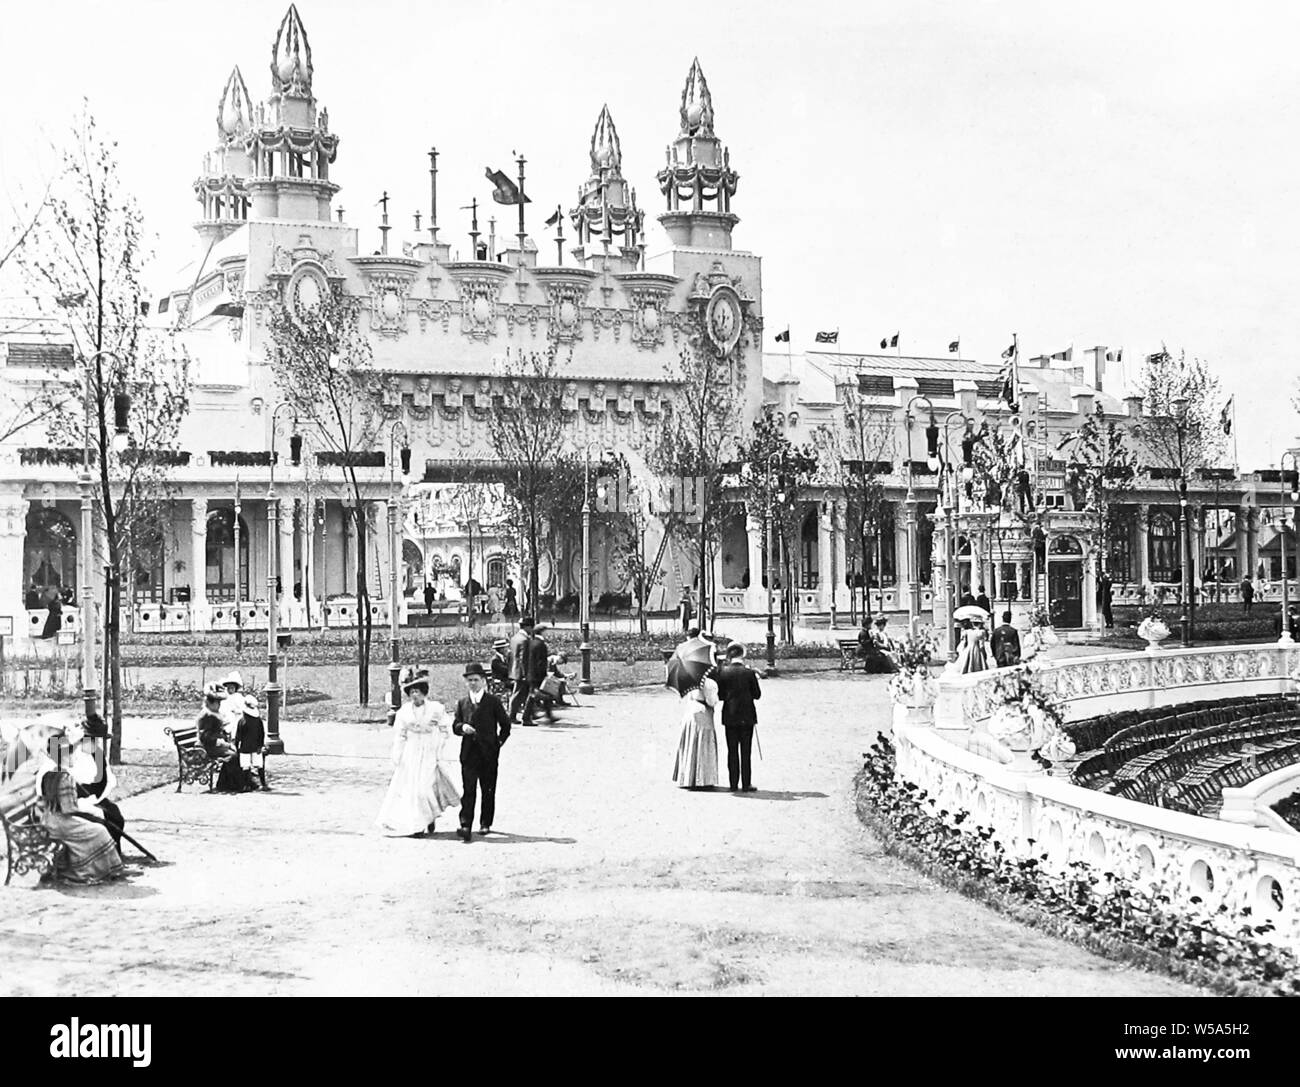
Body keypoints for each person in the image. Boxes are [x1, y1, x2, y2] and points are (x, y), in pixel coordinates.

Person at [376, 668, 460, 837]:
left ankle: (429, 818)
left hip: (430, 750)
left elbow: (446, 728)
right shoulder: (404, 712)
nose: (415, 695)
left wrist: (440, 746)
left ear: (424, 693)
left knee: (425, 788)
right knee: (412, 789)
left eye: (418, 692)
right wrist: (397, 755)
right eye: (412, 692)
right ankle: (418, 824)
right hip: (412, 751)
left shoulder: (436, 708)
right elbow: (400, 735)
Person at [451, 662, 511, 841]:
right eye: (469, 680)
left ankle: (485, 822)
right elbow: (455, 726)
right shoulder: (462, 703)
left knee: (488, 788)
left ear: (483, 681)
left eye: (476, 680)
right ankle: (465, 824)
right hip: (469, 753)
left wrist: (497, 743)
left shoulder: (493, 702)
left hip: (488, 753)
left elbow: (505, 725)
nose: (473, 683)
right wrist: (463, 727)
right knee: (468, 789)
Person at [39, 770, 125, 884]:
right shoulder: (63, 778)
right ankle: (90, 870)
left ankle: (100, 868)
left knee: (101, 823)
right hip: (58, 822)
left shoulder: (54, 776)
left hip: (52, 819)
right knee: (99, 831)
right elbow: (68, 809)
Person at [66, 713, 126, 848]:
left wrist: (94, 795)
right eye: (92, 740)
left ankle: (114, 849)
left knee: (115, 815)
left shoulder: (97, 754)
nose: (96, 743)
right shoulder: (70, 753)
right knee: (100, 817)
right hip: (71, 797)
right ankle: (100, 851)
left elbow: (102, 781)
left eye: (97, 740)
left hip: (92, 794)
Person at [715, 643, 760, 792]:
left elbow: (720, 695)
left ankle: (733, 783)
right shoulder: (749, 673)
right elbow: (757, 695)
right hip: (747, 716)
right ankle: (746, 784)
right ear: (742, 655)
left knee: (732, 750)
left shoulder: (723, 672)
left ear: (729, 656)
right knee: (746, 751)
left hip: (730, 715)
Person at [673, 670, 719, 790]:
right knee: (703, 744)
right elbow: (711, 701)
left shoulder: (691, 682)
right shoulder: (709, 683)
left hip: (691, 710)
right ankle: (703, 779)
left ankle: (688, 777)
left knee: (691, 742)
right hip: (703, 712)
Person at [522, 623, 553, 725]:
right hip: (537, 675)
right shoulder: (541, 645)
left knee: (539, 695)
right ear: (542, 632)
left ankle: (549, 715)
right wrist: (544, 674)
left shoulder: (530, 642)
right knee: (534, 696)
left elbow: (525, 659)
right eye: (546, 631)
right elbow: (541, 662)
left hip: (530, 674)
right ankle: (526, 718)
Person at [507, 616, 535, 723]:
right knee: (523, 694)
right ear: (528, 627)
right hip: (523, 672)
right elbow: (524, 659)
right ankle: (521, 717)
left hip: (515, 670)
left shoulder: (515, 638)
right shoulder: (525, 640)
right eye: (531, 627)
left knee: (517, 693)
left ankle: (513, 715)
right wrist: (525, 674)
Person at [197, 682, 235, 759]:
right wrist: (220, 736)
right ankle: (226, 771)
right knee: (233, 755)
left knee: (233, 751)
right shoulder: (207, 716)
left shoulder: (211, 714)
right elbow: (206, 737)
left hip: (211, 745)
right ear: (209, 702)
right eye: (217, 702)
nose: (219, 705)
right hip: (207, 748)